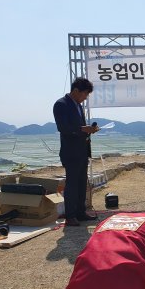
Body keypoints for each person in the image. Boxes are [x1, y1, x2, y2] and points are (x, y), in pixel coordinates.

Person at [53, 77, 99, 226]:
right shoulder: (61, 104)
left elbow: (79, 128)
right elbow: (63, 127)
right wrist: (82, 129)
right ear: (76, 90)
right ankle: (70, 215)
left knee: (81, 183)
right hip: (70, 152)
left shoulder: (78, 106)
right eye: (85, 94)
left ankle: (81, 212)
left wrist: (89, 130)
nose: (85, 98)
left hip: (82, 150)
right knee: (72, 184)